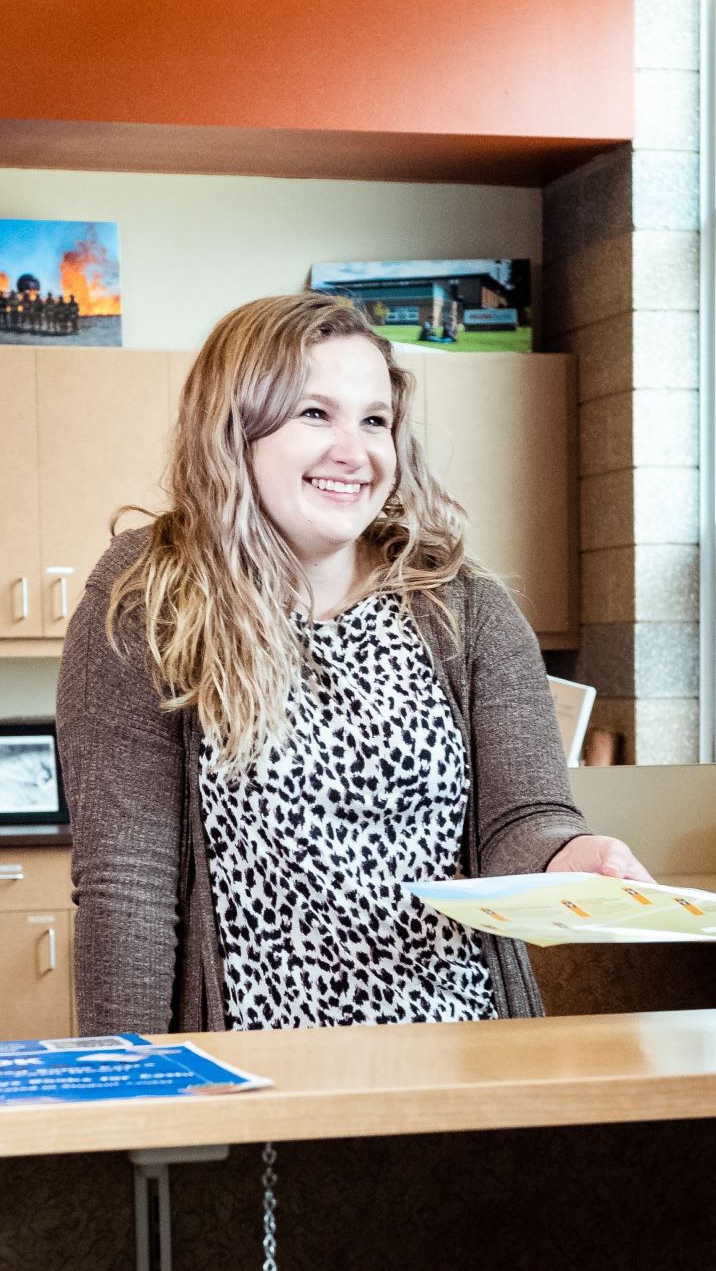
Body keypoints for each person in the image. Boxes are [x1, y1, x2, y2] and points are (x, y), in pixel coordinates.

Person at [58, 291, 647, 1035]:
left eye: (374, 420)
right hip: (256, 1082)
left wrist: (572, 856)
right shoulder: (149, 598)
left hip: (459, 1059)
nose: (354, 450)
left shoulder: (465, 609)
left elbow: (521, 821)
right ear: (233, 428)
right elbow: (127, 888)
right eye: (315, 414)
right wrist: (127, 1087)